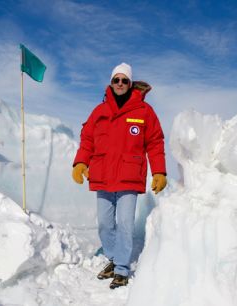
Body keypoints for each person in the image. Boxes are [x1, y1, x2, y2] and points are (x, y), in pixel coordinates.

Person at [72, 63, 167, 289]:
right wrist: (80, 162)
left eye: (125, 80)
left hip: (129, 176)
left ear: (130, 83)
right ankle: (114, 259)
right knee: (105, 225)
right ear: (111, 83)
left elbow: (155, 142)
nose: (120, 84)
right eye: (117, 80)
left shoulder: (144, 112)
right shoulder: (99, 111)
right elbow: (87, 139)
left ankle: (122, 269)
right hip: (102, 175)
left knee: (124, 223)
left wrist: (160, 171)